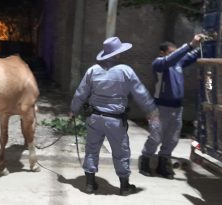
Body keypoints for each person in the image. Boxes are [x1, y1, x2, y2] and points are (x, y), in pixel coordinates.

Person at [70, 37, 159, 196]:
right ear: (117, 54)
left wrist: (73, 110)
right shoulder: (126, 71)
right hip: (115, 120)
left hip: (94, 118)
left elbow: (80, 93)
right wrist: (151, 111)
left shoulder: (93, 70)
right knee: (121, 152)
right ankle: (124, 186)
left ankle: (90, 185)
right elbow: (140, 93)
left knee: (91, 149)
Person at [139, 34, 204, 179]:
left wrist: (205, 43)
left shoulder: (178, 64)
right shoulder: (159, 64)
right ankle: (145, 161)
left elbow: (193, 55)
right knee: (156, 137)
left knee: (172, 139)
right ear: (162, 53)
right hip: (160, 108)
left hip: (177, 109)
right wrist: (190, 44)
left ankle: (163, 165)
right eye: (171, 52)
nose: (175, 55)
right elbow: (172, 59)